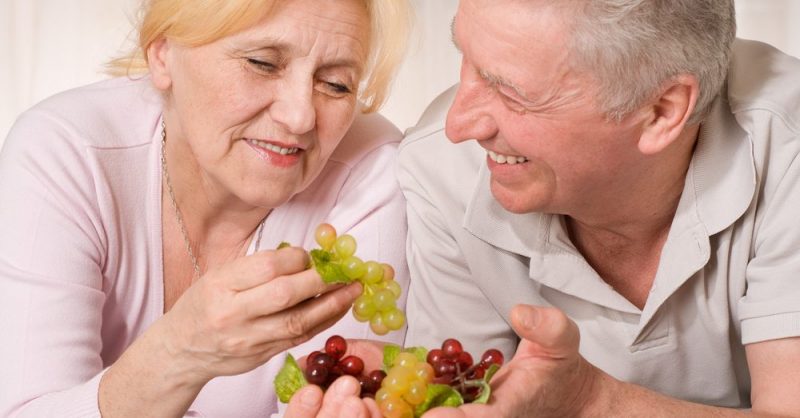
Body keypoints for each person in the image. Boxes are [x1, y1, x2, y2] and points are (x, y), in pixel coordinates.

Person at [0, 0, 411, 416]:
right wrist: (179, 352)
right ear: (163, 53)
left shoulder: (373, 170)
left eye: (337, 85)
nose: (300, 116)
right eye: (262, 63)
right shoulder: (68, 153)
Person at [393, 0, 800, 416]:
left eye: (510, 92)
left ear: (661, 112)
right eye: (467, 59)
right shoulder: (439, 167)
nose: (458, 125)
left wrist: (590, 400)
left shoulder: (789, 149)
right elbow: (463, 401)